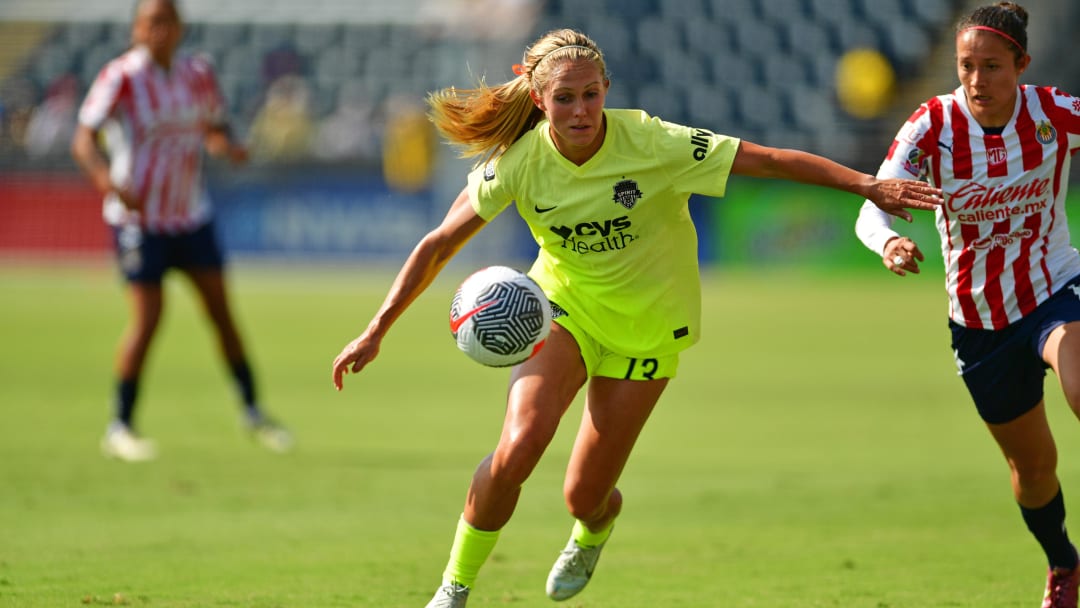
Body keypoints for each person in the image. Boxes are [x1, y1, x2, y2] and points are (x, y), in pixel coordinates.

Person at [332, 29, 942, 607]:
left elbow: (775, 160)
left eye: (591, 94)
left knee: (585, 495)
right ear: (539, 99)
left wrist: (868, 186)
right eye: (564, 98)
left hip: (648, 330)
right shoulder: (519, 163)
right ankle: (454, 588)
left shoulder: (655, 143)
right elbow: (439, 242)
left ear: (607, 90)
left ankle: (593, 532)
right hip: (562, 312)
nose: (580, 111)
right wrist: (376, 328)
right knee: (518, 448)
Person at [854, 4, 1080, 606]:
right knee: (1033, 473)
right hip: (979, 323)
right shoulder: (931, 126)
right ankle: (1064, 564)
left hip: (1055, 287)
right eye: (966, 66)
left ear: (1022, 66)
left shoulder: (1055, 112)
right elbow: (871, 205)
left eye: (992, 66)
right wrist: (890, 240)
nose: (977, 80)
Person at [71, 0, 292, 462]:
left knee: (221, 313)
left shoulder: (197, 74)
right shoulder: (122, 77)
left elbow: (212, 126)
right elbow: (83, 139)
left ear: (179, 28)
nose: (158, 31)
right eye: (150, 23)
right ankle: (120, 425)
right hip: (140, 221)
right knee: (149, 318)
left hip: (190, 215)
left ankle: (253, 411)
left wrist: (226, 146)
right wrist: (107, 182)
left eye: (166, 22)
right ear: (137, 28)